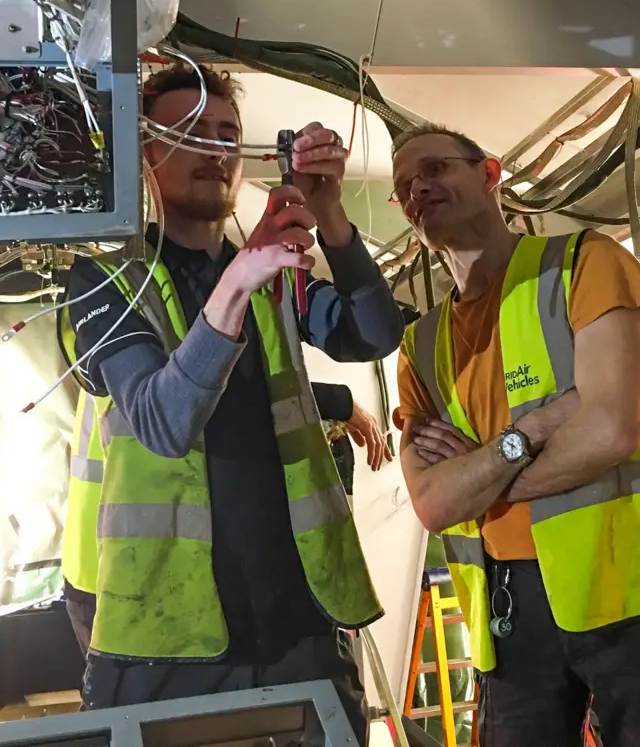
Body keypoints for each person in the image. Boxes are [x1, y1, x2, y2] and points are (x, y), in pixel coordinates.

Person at [57, 64, 404, 744]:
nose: (215, 149)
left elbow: (374, 332)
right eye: (188, 133)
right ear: (145, 154)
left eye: (226, 134)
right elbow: (163, 420)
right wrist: (239, 279)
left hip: (297, 621)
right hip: (167, 635)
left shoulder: (273, 271)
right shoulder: (106, 279)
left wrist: (330, 214)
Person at [391, 122, 640, 747]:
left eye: (436, 169)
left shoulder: (584, 263)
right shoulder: (419, 346)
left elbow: (616, 427)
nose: (418, 187)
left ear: (490, 174)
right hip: (509, 610)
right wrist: (534, 427)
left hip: (625, 584)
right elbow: (433, 504)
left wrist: (477, 474)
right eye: (403, 185)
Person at [63, 383, 390, 654]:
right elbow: (221, 398)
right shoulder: (139, 351)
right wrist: (339, 402)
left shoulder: (111, 337)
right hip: (129, 578)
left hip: (95, 567)